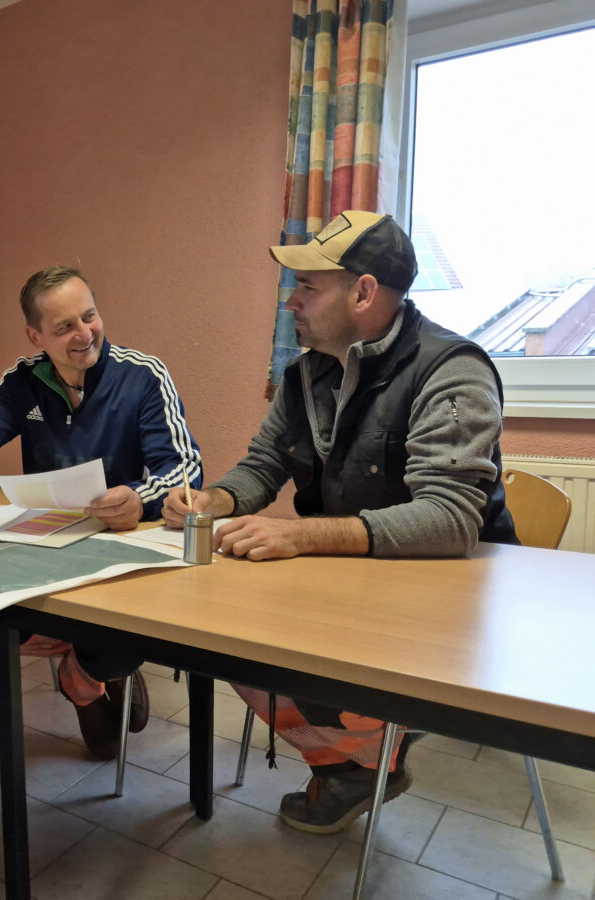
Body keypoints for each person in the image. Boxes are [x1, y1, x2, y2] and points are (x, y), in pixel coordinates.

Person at [162, 210, 517, 833]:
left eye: (308, 287)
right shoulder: (306, 373)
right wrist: (213, 500)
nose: (291, 303)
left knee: (279, 648)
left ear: (363, 292)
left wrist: (298, 535)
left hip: (448, 607)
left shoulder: (453, 370)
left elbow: (449, 519)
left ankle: (366, 745)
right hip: (356, 582)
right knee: (219, 637)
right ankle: (352, 760)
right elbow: (263, 465)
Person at [0, 265, 202, 758]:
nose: (84, 334)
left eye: (90, 316)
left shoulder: (143, 376)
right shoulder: (23, 380)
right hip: (46, 544)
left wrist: (139, 498)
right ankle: (89, 670)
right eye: (65, 326)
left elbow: (185, 469)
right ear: (36, 336)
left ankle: (84, 678)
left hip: (122, 545)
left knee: (124, 638)